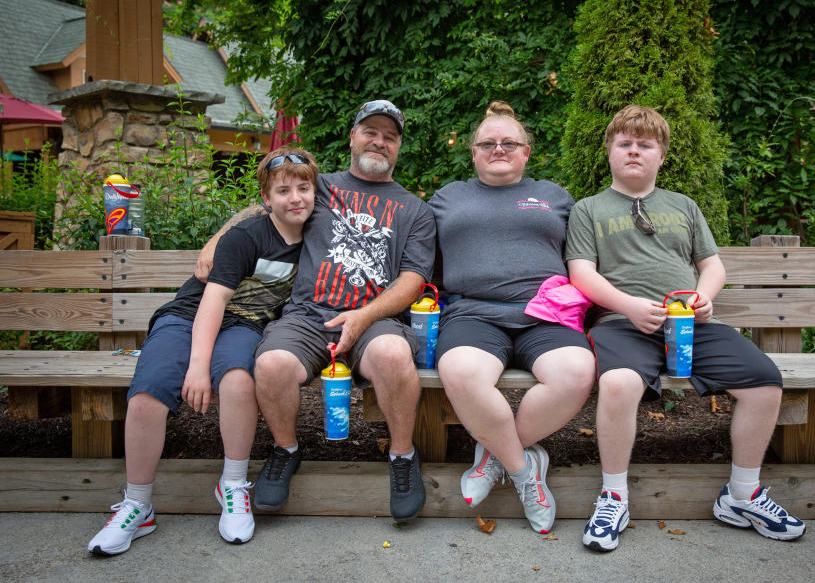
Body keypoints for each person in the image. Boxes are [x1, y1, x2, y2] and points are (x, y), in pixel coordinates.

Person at [566, 105, 806, 552]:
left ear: (662, 155)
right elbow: (582, 272)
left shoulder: (683, 206)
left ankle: (742, 494)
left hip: (687, 321)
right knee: (618, 383)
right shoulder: (588, 210)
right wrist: (629, 307)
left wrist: (705, 296)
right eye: (625, 143)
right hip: (623, 322)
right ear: (610, 152)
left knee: (765, 382)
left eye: (645, 144)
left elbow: (710, 264)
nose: (634, 151)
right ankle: (613, 496)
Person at [194, 100, 436, 522]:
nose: (379, 142)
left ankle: (402, 456)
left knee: (394, 356)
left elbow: (413, 281)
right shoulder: (320, 186)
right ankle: (286, 450)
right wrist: (218, 237)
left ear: (398, 147)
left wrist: (363, 317)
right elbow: (267, 205)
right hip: (308, 316)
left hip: (377, 321)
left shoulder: (415, 210)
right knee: (271, 364)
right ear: (353, 137)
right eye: (370, 132)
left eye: (389, 136)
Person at [87, 148, 318, 555]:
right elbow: (211, 303)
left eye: (303, 188)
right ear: (266, 199)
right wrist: (196, 367)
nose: (296, 197)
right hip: (188, 316)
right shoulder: (246, 236)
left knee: (238, 382)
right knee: (149, 393)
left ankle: (232, 485)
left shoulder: (317, 234)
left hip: (245, 325)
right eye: (283, 190)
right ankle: (137, 505)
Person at [429, 101, 596, 535]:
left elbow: (585, 259)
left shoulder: (555, 196)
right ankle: (525, 473)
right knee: (461, 372)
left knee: (577, 372)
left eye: (509, 143)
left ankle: (493, 457)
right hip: (473, 313)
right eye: (487, 143)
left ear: (526, 152)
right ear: (472, 152)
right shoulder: (448, 197)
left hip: (545, 312)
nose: (498, 149)